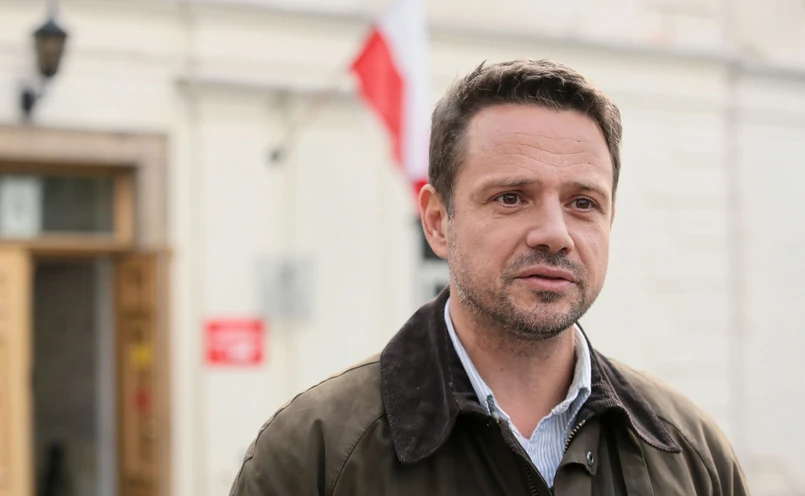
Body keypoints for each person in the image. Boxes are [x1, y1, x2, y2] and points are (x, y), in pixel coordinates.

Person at [229, 59, 750, 495]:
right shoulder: (315, 455)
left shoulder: (692, 457)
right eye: (511, 197)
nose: (555, 234)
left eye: (583, 203)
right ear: (438, 222)